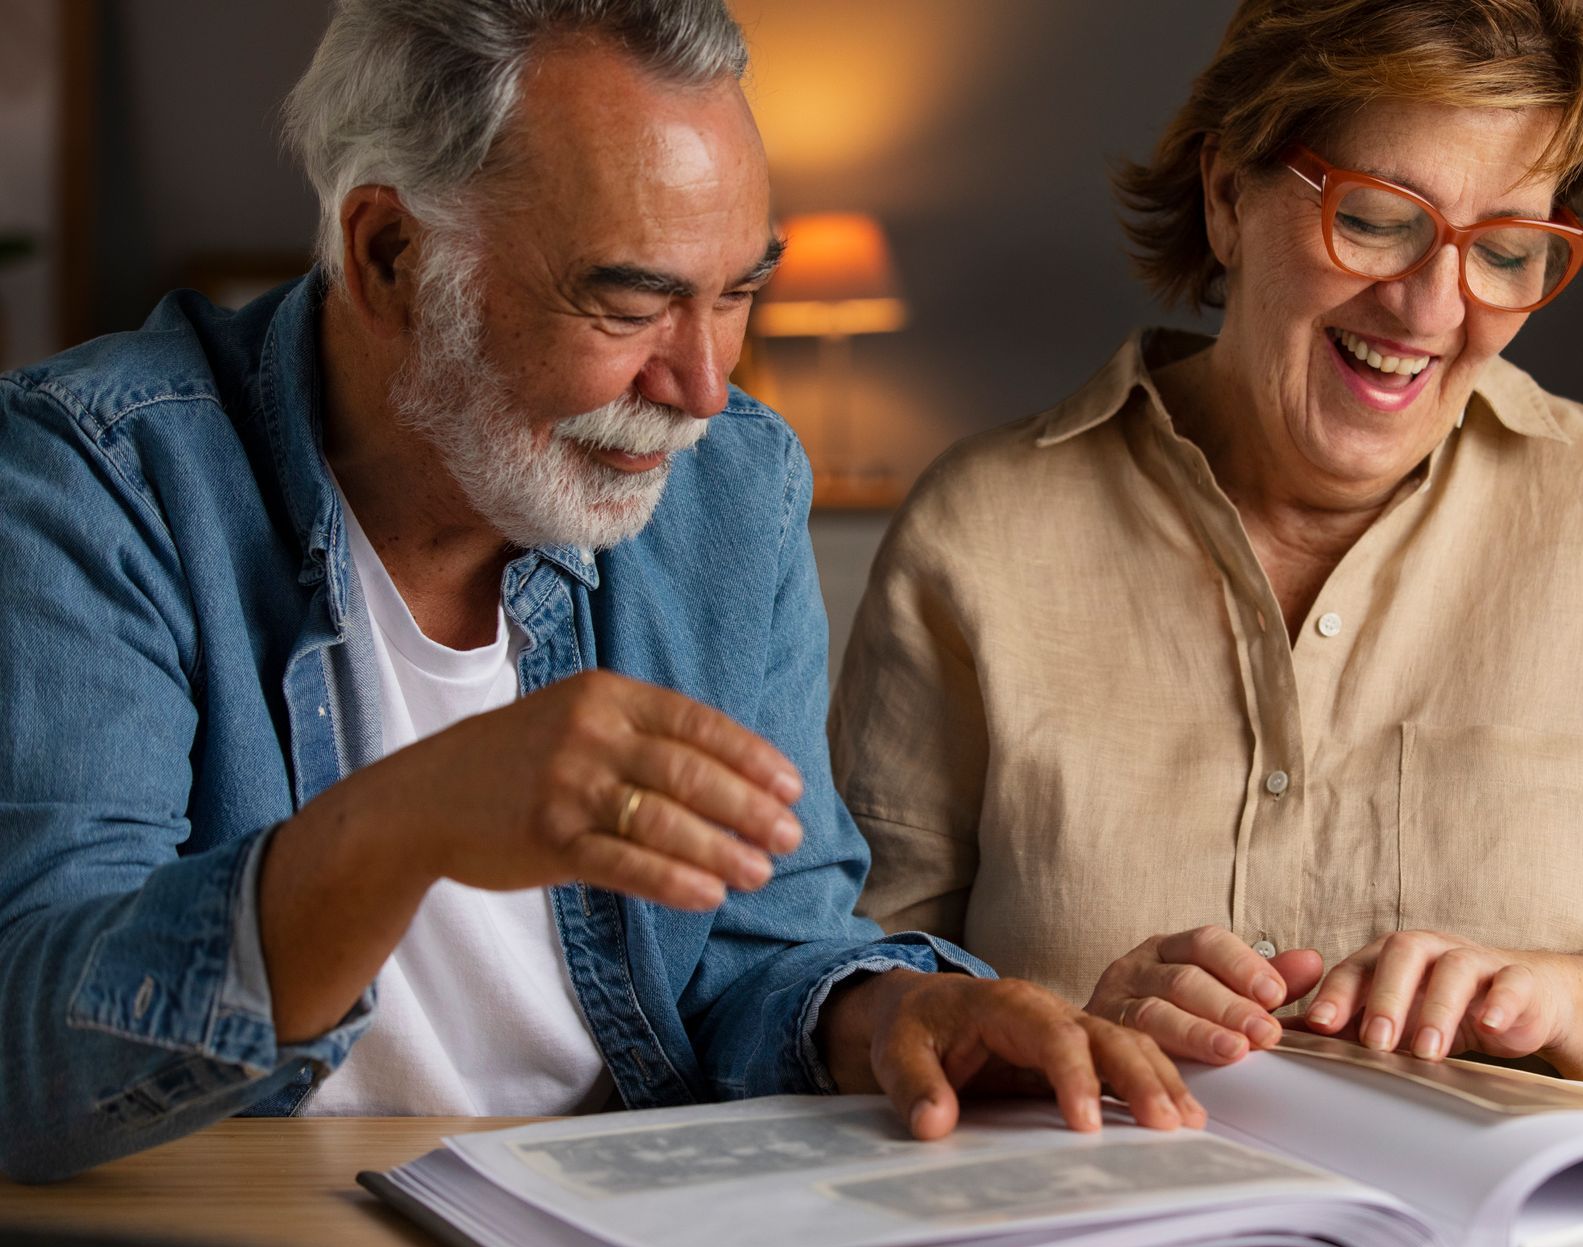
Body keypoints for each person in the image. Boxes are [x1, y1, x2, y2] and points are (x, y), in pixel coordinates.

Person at [0, 0, 1201, 1185]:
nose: (701, 386)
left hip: (623, 1228)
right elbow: (34, 1056)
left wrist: (892, 1010)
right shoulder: (96, 476)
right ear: (389, 256)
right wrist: (406, 824)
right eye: (629, 304)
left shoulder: (732, 485)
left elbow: (760, 945)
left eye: (736, 293)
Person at [830, 0, 1583, 1105]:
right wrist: (1064, 1031)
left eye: (1507, 249)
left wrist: (1562, 1000)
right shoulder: (981, 529)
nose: (1430, 305)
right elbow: (840, 984)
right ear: (1228, 195)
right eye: (1375, 219)